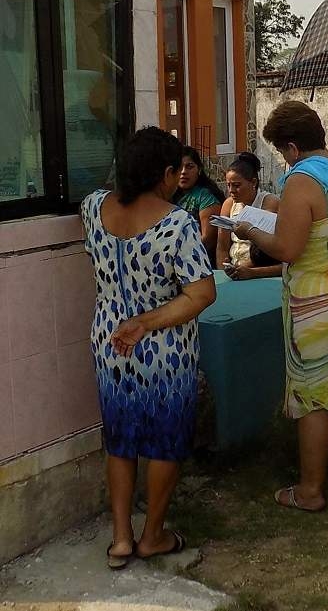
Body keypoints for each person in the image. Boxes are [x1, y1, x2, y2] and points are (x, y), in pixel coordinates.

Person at [233, 101, 328, 512]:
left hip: (316, 298)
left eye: (282, 151)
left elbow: (287, 248)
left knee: (315, 393)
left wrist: (249, 231)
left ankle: (311, 490)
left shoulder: (299, 181)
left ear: (292, 147)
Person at [80, 127, 216, 569]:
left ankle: (121, 539)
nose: (180, 178)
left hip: (108, 341)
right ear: (166, 172)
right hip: (163, 348)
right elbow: (201, 294)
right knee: (164, 440)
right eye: (177, 170)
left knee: (119, 438)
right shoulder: (176, 223)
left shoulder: (93, 208)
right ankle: (152, 536)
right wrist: (145, 321)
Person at [216, 151, 281, 280]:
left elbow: (262, 253)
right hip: (234, 270)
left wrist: (247, 271)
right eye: (228, 185)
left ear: (253, 182)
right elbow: (222, 246)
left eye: (237, 185)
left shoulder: (269, 203)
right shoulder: (229, 204)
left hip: (260, 269)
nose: (231, 190)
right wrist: (224, 271)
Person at [175, 146, 224, 268]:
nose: (183, 172)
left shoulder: (205, 195)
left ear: (199, 170)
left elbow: (208, 239)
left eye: (189, 167)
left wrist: (180, 257)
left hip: (200, 262)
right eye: (179, 167)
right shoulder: (170, 195)